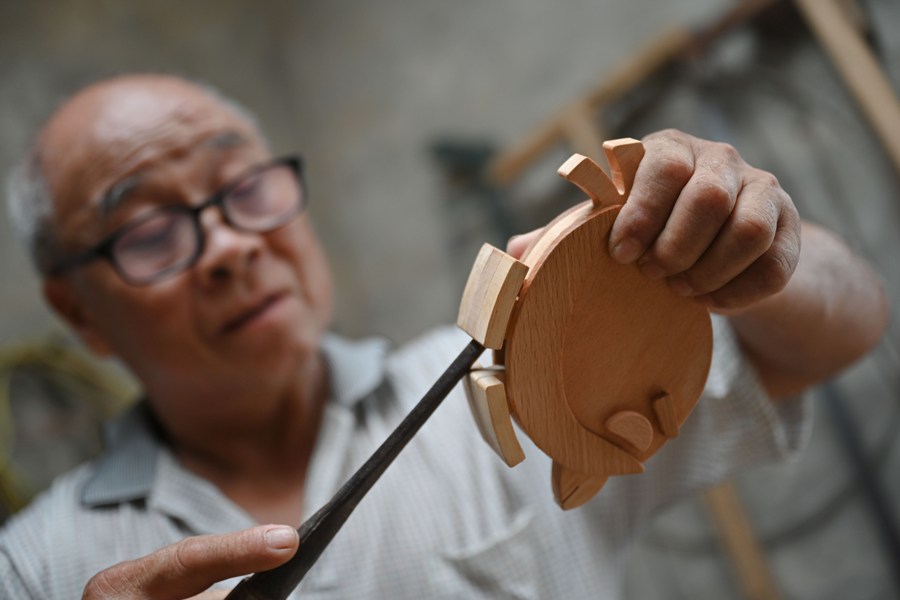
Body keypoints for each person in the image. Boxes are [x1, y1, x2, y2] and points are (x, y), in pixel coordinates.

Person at [0, 73, 887, 600]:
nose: (231, 246)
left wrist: (758, 247)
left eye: (244, 187)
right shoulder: (34, 569)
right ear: (79, 314)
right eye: (149, 232)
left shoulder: (528, 381)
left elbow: (842, 330)